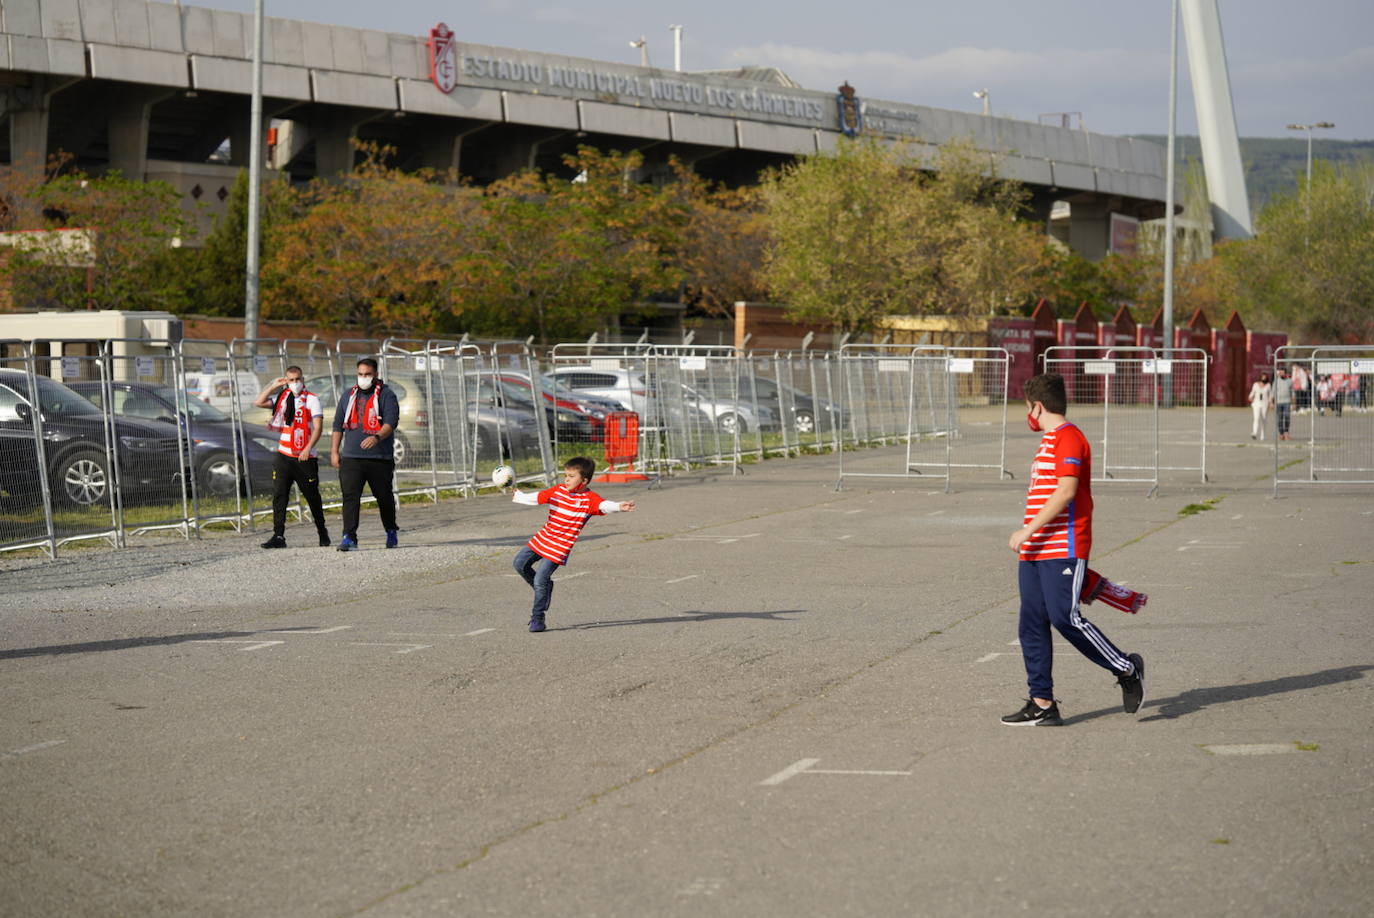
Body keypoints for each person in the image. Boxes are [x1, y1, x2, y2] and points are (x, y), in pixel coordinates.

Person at [1003, 373, 1144, 726]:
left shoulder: (1069, 438)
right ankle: (1042, 703)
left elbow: (1066, 491)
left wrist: (1027, 530)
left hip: (1062, 545)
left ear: (1037, 406)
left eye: (1028, 409)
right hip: (1034, 551)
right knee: (1031, 624)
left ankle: (1126, 668)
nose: (1028, 417)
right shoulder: (1048, 441)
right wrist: (1029, 539)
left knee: (1067, 619)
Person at [510, 457, 636, 632]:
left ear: (584, 480)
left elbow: (603, 505)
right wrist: (519, 495)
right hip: (542, 539)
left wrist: (619, 506)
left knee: (540, 578)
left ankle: (537, 618)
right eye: (565, 475)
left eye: (571, 476)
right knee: (519, 564)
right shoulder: (558, 491)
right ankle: (544, 589)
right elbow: (538, 497)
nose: (566, 479)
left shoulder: (589, 499)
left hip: (559, 548)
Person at [253, 365, 330, 549]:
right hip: (284, 455)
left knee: (312, 496)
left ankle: (322, 531)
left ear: (302, 380)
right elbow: (258, 402)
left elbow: (318, 428)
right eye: (291, 380)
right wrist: (273, 386)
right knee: (280, 495)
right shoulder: (283, 398)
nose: (295, 383)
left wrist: (308, 448)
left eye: (298, 379)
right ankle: (278, 535)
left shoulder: (312, 400)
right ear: (286, 381)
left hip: (305, 457)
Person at [330, 357, 401, 551]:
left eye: (367, 374)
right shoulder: (348, 396)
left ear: (376, 374)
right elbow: (337, 425)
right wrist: (335, 451)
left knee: (384, 497)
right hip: (352, 457)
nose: (363, 378)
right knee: (350, 497)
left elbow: (391, 422)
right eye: (360, 374)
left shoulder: (386, 395)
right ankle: (349, 536)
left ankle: (391, 531)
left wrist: (377, 437)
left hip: (379, 458)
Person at [1247, 372, 1273, 441]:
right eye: (1263, 377)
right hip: (1256, 404)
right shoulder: (1255, 385)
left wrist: (1271, 403)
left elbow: (1270, 395)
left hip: (1265, 404)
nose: (1264, 378)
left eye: (1265, 377)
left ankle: (1263, 435)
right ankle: (1254, 433)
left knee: (1263, 419)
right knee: (1256, 418)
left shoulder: (1268, 385)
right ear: (1260, 377)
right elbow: (1251, 394)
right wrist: (1250, 398)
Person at [1272, 367, 1294, 441]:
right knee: (1279, 419)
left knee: (1287, 417)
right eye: (1280, 372)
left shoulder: (1289, 381)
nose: (1281, 373)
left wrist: (1294, 403)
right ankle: (1281, 434)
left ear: (1285, 373)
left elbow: (1293, 393)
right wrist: (1271, 402)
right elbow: (1273, 392)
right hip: (1278, 402)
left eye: (1282, 372)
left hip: (1287, 402)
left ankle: (1286, 432)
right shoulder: (1276, 381)